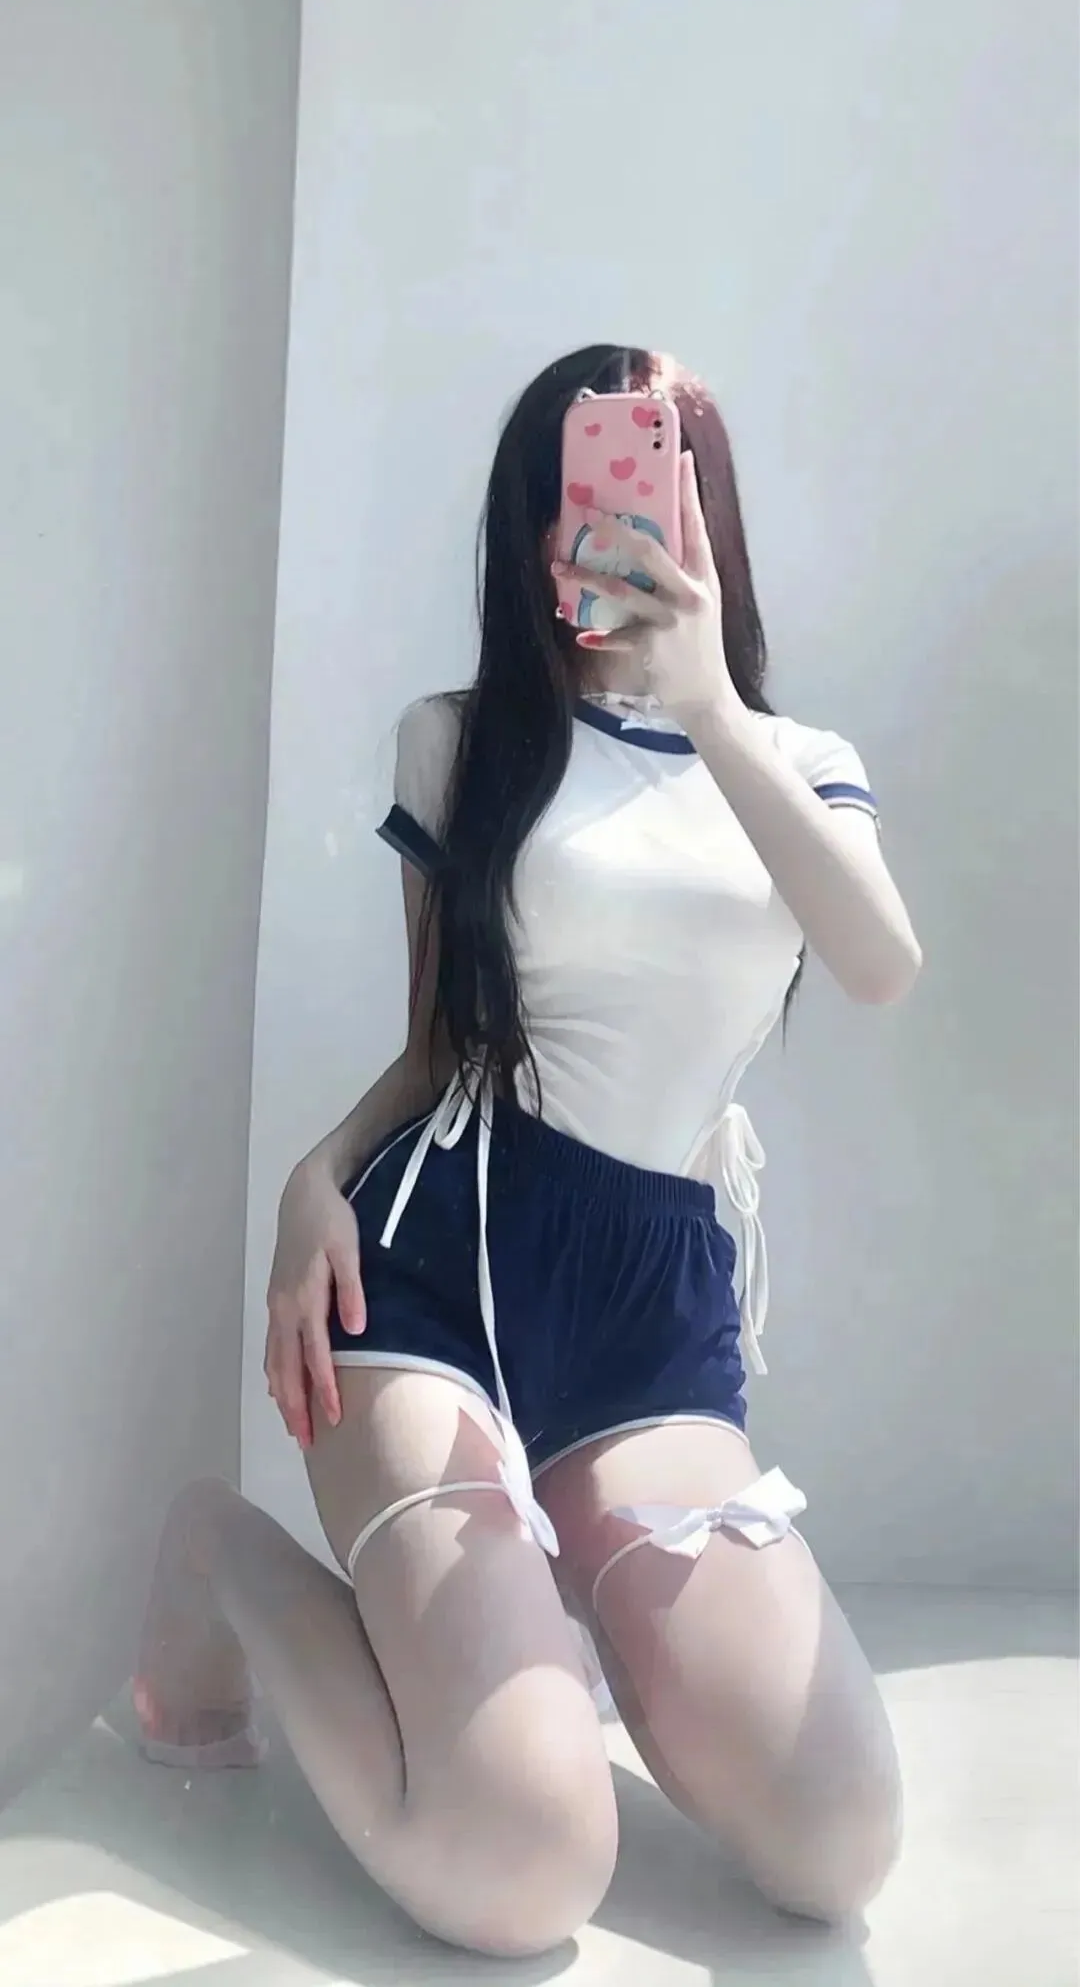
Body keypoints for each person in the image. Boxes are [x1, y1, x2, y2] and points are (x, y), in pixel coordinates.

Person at [134, 346, 922, 1960]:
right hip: (433, 1273)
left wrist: (706, 705)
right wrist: (310, 1179)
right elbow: (444, 1047)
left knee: (837, 1837)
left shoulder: (797, 763)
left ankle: (556, 1622)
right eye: (577, 486)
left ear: (705, 509)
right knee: (521, 1868)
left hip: (649, 1317)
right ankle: (218, 1549)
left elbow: (880, 962)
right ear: (528, 521)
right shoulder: (458, 742)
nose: (610, 520)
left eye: (653, 474)